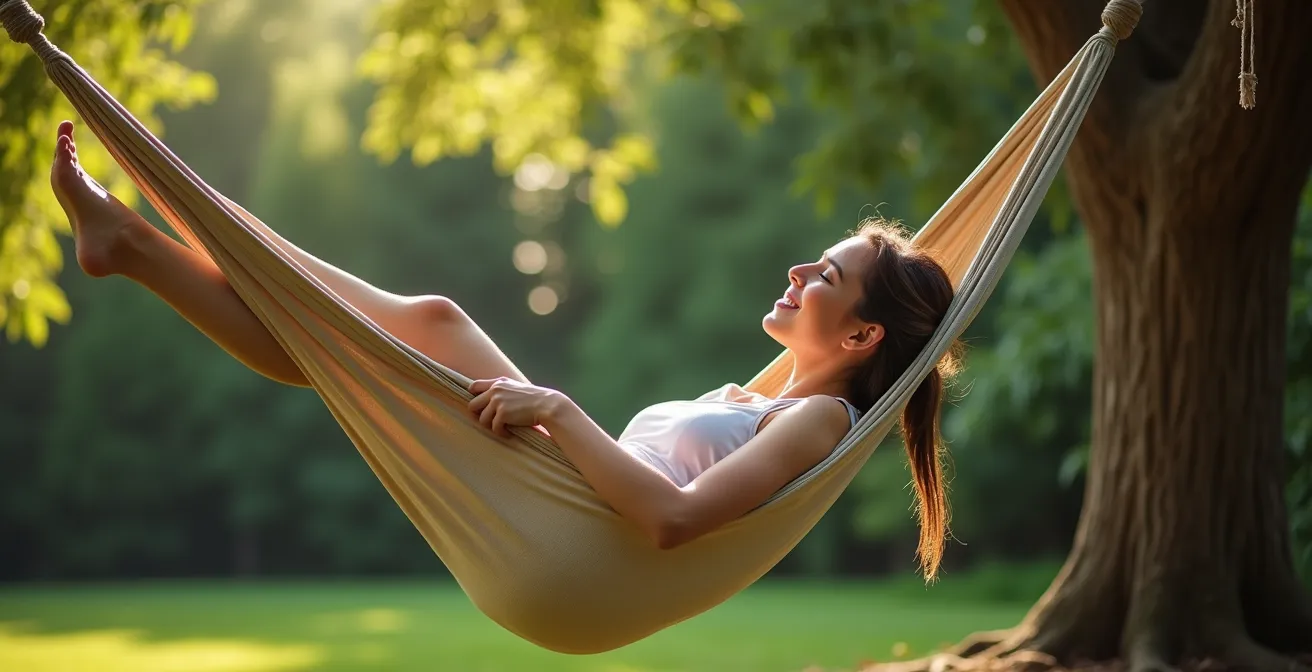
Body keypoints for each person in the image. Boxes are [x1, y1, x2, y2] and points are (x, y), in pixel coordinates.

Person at [49, 119, 960, 578]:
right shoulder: (777, 400)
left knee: (428, 322)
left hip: (574, 532)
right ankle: (139, 241)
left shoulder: (817, 420)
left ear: (862, 336)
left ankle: (175, 213)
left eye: (827, 277)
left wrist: (559, 410)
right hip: (558, 503)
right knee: (353, 350)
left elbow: (672, 521)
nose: (800, 268)